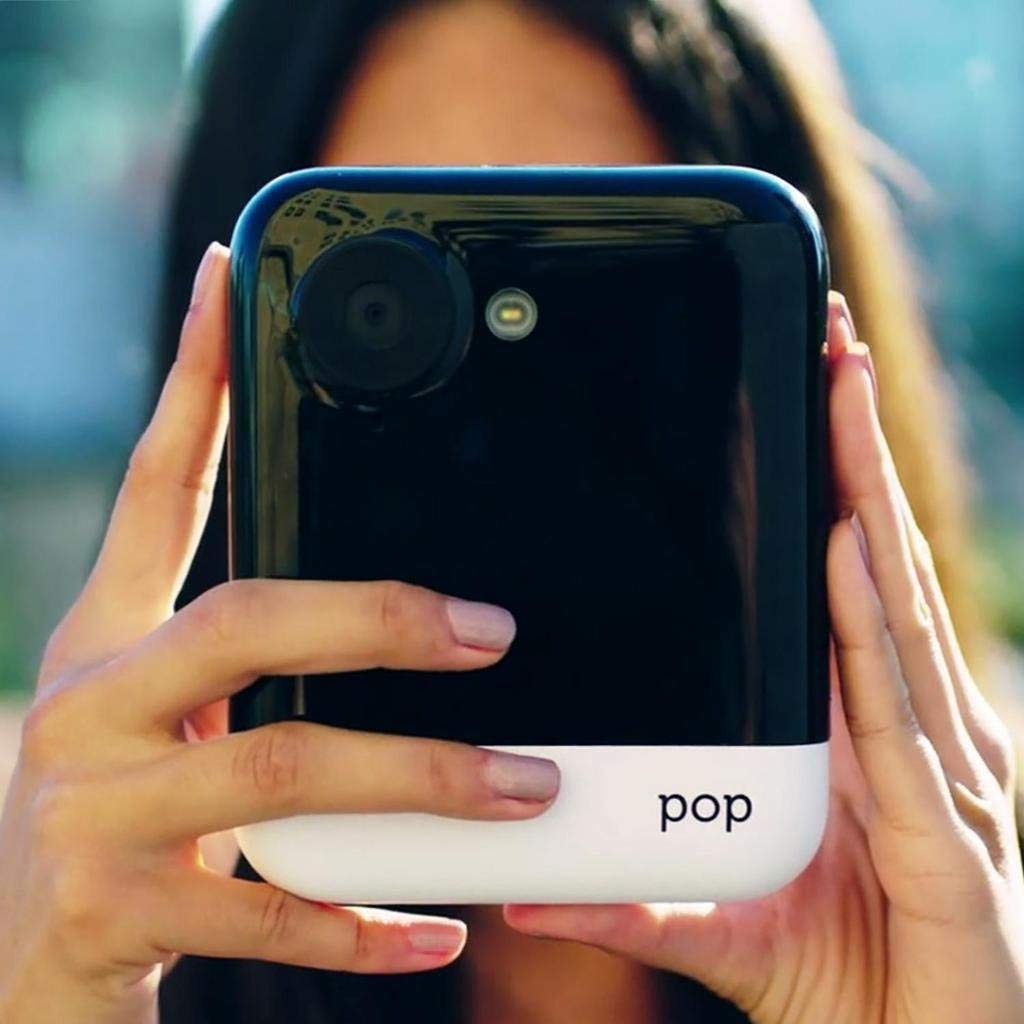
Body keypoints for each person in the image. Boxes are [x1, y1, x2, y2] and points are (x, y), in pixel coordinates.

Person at [1, 1, 1021, 1022]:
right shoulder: (97, 931)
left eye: (612, 323)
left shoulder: (963, 931)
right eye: (396, 328)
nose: (512, 449)